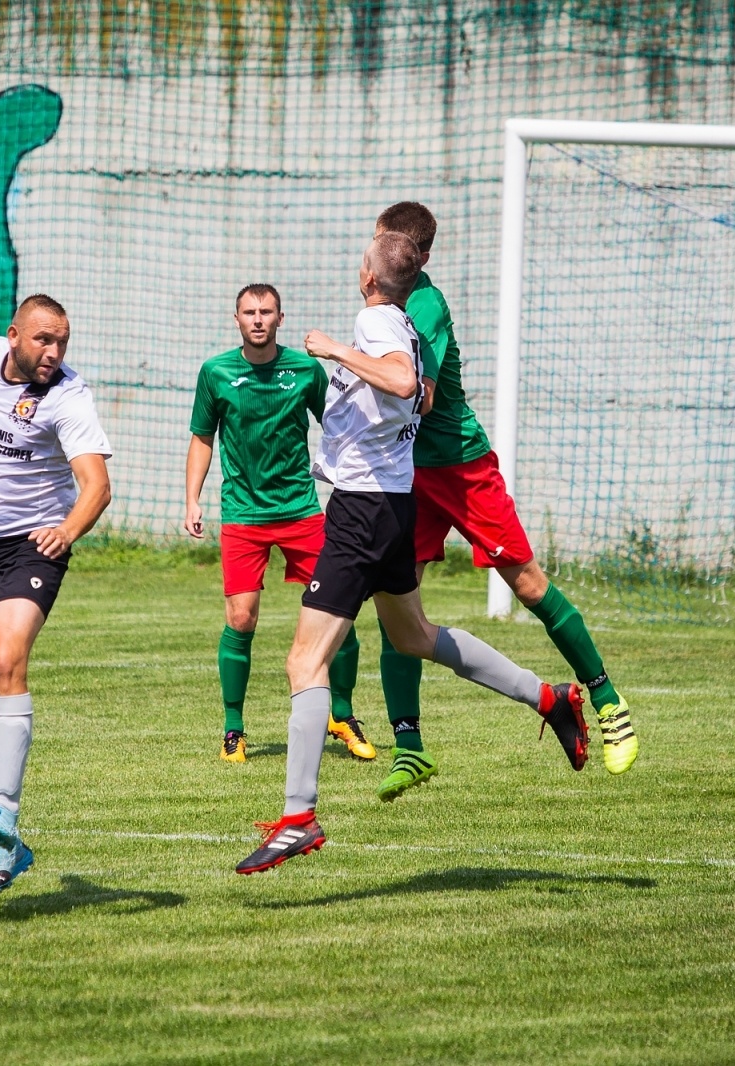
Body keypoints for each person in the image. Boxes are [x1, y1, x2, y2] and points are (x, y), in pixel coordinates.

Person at [235, 234, 585, 875]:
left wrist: (335, 349)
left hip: (363, 512)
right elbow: (412, 390)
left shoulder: (373, 320)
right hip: (391, 504)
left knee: (303, 661)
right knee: (415, 634)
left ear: (370, 273)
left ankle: (298, 817)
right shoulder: (402, 319)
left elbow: (401, 382)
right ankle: (549, 699)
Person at [371, 201, 638, 801]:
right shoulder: (379, 307)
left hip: (461, 467)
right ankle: (409, 746)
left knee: (530, 586)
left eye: (393, 247)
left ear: (419, 259)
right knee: (396, 602)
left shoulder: (425, 306)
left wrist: (352, 365)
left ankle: (604, 696)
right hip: (406, 473)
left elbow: (425, 397)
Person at [0, 294, 113, 896]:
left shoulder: (69, 397)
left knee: (8, 657)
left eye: (63, 341)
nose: (54, 352)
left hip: (31, 545)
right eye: (43, 339)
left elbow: (97, 484)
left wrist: (66, 530)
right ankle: (7, 852)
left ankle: (3, 815)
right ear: (13, 336)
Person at [185, 283, 375, 764]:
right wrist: (192, 500)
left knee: (339, 614)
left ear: (280, 318)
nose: (257, 319)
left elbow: (336, 426)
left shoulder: (305, 370)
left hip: (302, 512)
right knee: (241, 618)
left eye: (265, 311)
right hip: (244, 515)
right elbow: (202, 438)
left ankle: (344, 713)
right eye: (249, 312)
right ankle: (233, 726)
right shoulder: (216, 372)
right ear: (236, 319)